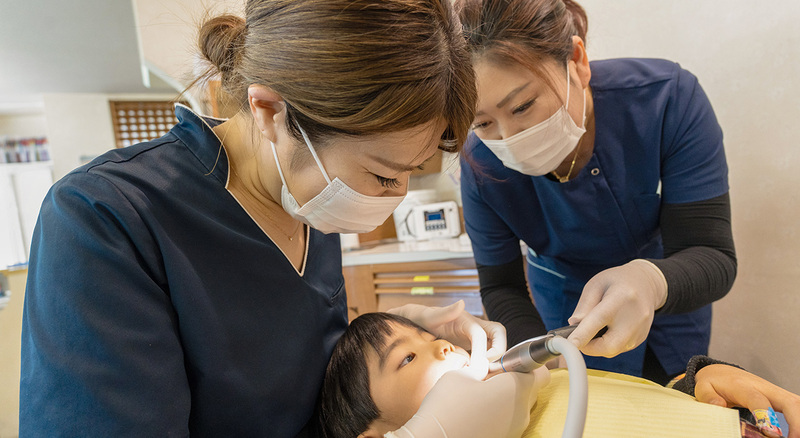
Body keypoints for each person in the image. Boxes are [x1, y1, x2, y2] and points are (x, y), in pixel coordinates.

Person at [18, 1, 529, 436]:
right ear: (270, 112)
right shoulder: (105, 219)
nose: (393, 197)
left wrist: (388, 339)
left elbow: (283, 358)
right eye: (382, 174)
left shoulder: (302, 198)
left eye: (409, 174)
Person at [457, 0, 736, 381]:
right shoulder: (481, 167)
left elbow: (712, 254)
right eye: (484, 123)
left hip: (669, 293)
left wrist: (653, 282)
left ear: (577, 60)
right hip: (564, 315)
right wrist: (533, 357)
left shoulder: (665, 100)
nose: (510, 138)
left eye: (523, 106)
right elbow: (501, 286)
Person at [320, 312, 800, 438]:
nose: (444, 345)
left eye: (432, 339)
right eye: (408, 358)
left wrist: (698, 381)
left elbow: (637, 404)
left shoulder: (541, 383)